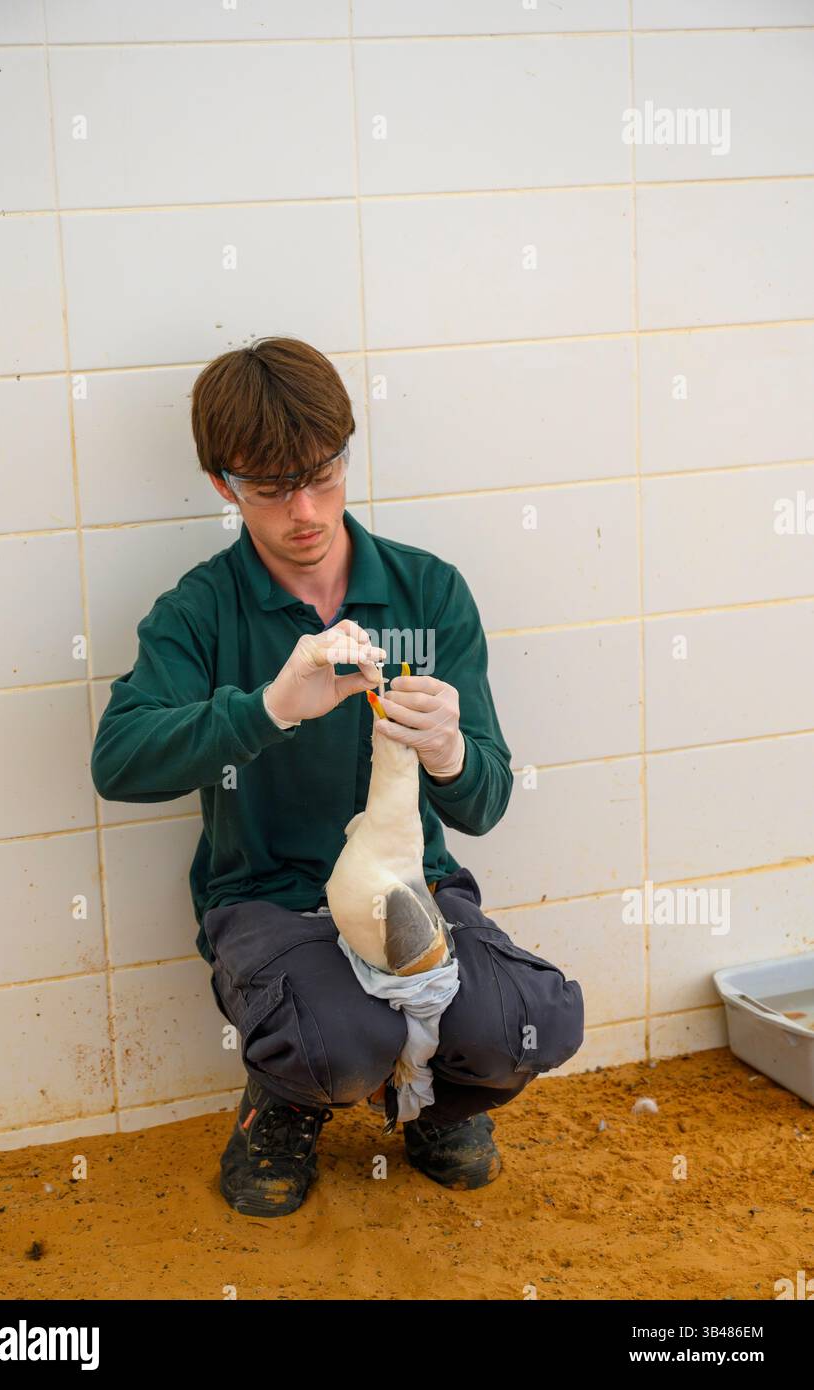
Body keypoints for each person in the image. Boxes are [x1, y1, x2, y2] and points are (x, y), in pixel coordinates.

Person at [91, 336, 584, 1218]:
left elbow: (488, 800)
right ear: (224, 486)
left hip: (415, 892)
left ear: (347, 456)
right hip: (270, 900)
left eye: (323, 475)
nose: (306, 511)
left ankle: (435, 1100)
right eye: (272, 490)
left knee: (531, 1022)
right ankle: (283, 1104)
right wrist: (269, 707)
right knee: (339, 1041)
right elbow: (118, 760)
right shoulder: (199, 612)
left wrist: (452, 753)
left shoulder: (427, 592)